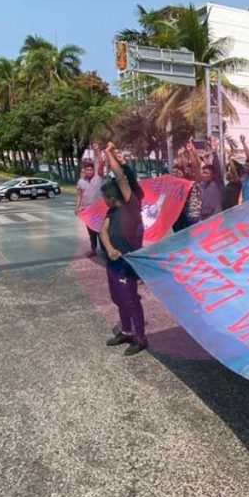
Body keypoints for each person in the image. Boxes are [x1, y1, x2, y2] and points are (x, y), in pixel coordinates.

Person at [99, 142, 149, 356]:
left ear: (113, 197)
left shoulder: (131, 206)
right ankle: (126, 331)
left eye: (105, 198)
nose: (103, 201)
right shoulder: (111, 213)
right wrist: (109, 248)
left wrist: (110, 153)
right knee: (118, 298)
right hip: (113, 262)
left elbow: (120, 177)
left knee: (130, 299)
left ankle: (140, 338)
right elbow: (103, 231)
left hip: (128, 262)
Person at [75, 144, 104, 258]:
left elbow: (101, 163)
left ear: (93, 170)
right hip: (87, 210)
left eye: (91, 169)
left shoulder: (98, 177)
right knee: (91, 232)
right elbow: (79, 196)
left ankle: (106, 249)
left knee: (101, 231)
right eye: (87, 169)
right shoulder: (80, 182)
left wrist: (97, 150)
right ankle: (93, 249)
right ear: (84, 171)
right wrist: (77, 208)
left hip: (99, 210)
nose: (89, 171)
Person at [191, 137, 225, 221]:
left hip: (216, 220)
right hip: (204, 220)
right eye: (203, 173)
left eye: (206, 173)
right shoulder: (202, 185)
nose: (204, 175)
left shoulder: (217, 184)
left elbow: (217, 168)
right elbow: (195, 167)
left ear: (213, 175)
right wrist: (190, 150)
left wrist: (214, 152)